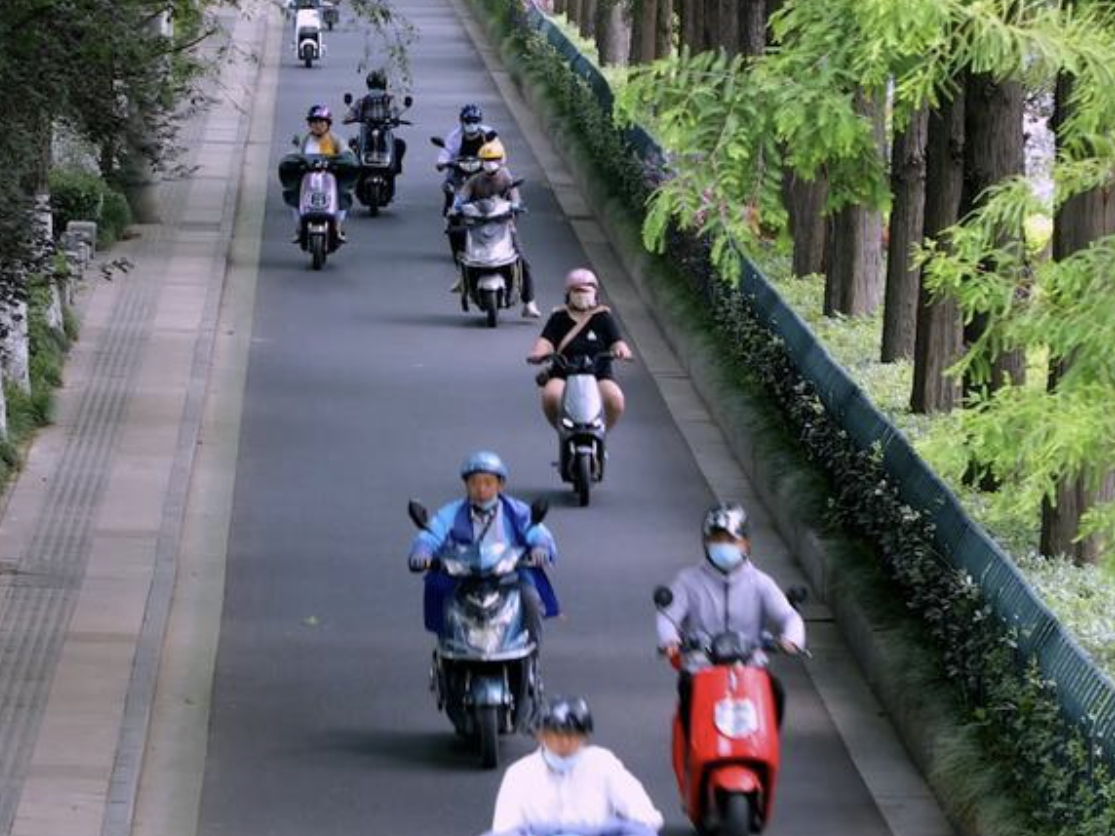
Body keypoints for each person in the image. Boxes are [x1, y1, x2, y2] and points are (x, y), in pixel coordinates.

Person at [656, 503, 805, 730]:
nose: (724, 545)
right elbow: (668, 617)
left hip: (751, 668)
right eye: (716, 539)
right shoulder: (688, 581)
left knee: (776, 693)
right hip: (700, 667)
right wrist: (670, 640)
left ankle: (766, 745)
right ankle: (691, 747)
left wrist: (791, 639)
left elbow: (789, 616)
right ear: (706, 542)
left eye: (732, 540)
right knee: (688, 699)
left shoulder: (760, 583)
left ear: (746, 543)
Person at [407, 451, 559, 645]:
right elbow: (432, 533)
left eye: (488, 483)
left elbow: (536, 531)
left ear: (500, 485)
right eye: (474, 483)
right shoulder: (451, 513)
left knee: (530, 597)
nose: (481, 489)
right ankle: (445, 643)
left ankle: (532, 645)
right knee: (439, 592)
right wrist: (422, 551)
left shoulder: (516, 511)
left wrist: (540, 548)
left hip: (507, 575)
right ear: (466, 485)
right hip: (464, 575)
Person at [487, 696, 664, 836]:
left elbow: (645, 814)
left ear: (585, 737)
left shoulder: (603, 763)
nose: (565, 742)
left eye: (573, 735)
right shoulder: (519, 773)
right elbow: (504, 828)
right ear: (541, 736)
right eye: (557, 734)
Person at [527, 268, 633, 429]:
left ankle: (602, 432)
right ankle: (563, 430)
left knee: (615, 399)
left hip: (599, 374)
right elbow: (545, 341)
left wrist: (622, 351)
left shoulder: (603, 317)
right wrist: (538, 353)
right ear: (568, 293)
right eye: (576, 290)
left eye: (586, 290)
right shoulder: (559, 317)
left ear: (595, 293)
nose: (581, 294)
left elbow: (617, 342)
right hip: (564, 373)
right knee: (551, 396)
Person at [451, 138, 540, 318]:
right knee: (455, 234)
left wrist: (516, 206)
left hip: (504, 226)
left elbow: (515, 198)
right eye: (486, 160)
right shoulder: (475, 179)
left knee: (523, 261)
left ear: (501, 160)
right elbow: (462, 195)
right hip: (477, 226)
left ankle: (529, 303)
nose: (489, 163)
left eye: (493, 159)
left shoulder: (507, 178)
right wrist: (455, 207)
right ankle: (462, 278)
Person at [291, 104, 349, 242]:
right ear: (310, 124)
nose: (318, 125)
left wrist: (345, 158)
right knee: (293, 194)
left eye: (321, 122)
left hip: (331, 177)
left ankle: (338, 227)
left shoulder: (336, 140)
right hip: (308, 177)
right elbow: (295, 153)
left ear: (328, 124)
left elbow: (346, 153)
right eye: (314, 122)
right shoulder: (305, 140)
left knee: (343, 193)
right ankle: (299, 228)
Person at [343, 69, 407, 175]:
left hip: (384, 131)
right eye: (373, 86)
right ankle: (355, 169)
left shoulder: (390, 100)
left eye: (378, 86)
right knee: (352, 145)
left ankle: (395, 167)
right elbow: (351, 114)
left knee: (399, 144)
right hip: (366, 130)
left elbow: (396, 111)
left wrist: (396, 119)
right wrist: (349, 118)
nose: (376, 90)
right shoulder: (362, 101)